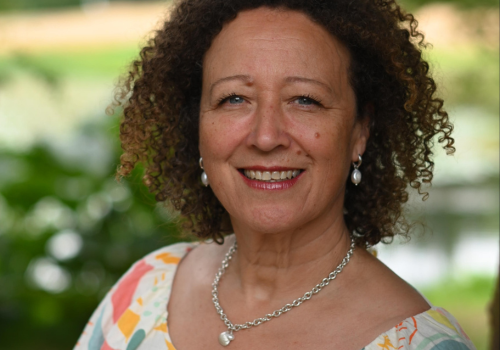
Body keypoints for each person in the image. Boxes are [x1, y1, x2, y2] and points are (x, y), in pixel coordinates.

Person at [75, 0, 476, 349]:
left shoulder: (420, 343)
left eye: (305, 100)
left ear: (359, 131)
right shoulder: (144, 291)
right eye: (234, 98)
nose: (266, 136)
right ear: (198, 125)